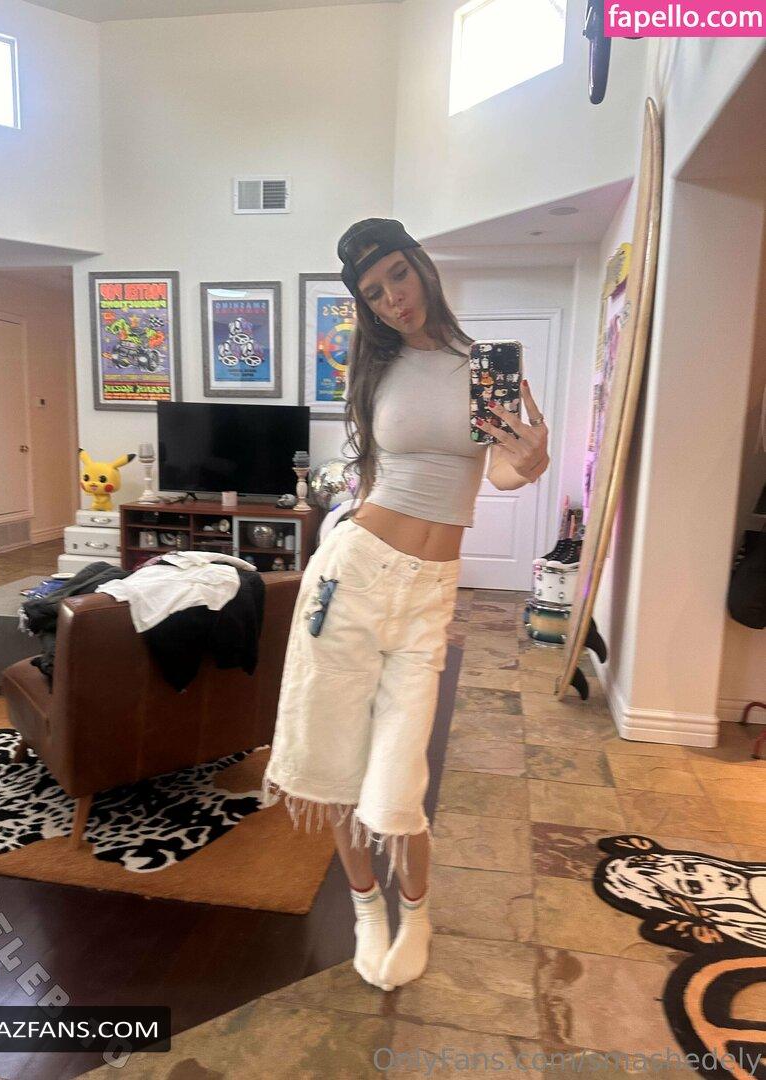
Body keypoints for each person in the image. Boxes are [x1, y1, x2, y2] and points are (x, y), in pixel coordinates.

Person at [261, 218, 549, 991]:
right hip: (352, 574)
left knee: (398, 778)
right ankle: (366, 909)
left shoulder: (484, 367)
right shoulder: (375, 369)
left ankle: (416, 913)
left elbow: (502, 473)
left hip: (427, 596)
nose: (392, 297)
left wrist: (531, 460)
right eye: (373, 291)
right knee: (333, 761)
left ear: (420, 265)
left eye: (398, 274)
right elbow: (374, 476)